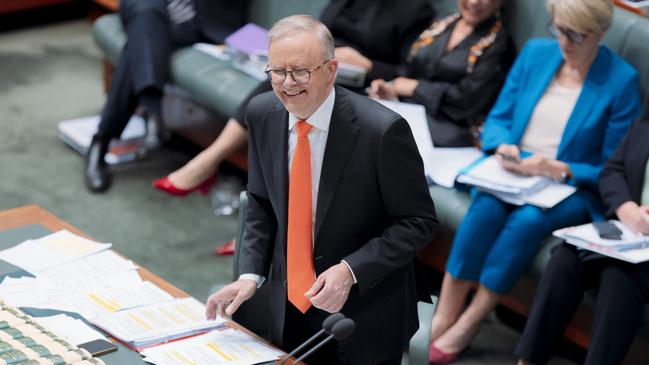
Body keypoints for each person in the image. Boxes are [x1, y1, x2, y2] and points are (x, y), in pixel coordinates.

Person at [205, 15, 438, 365]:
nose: (287, 84)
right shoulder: (262, 112)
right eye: (277, 72)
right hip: (288, 303)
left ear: (331, 70)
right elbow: (260, 200)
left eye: (300, 71)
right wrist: (250, 273)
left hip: (366, 310)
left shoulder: (383, 131)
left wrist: (350, 270)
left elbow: (417, 222)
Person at [427, 0, 642, 363]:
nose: (566, 42)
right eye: (559, 29)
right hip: (512, 171)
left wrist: (557, 168)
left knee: (527, 221)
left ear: (601, 33)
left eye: (576, 34)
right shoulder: (536, 53)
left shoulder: (621, 81)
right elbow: (499, 117)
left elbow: (610, 166)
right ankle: (447, 311)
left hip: (570, 185)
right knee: (485, 209)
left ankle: (474, 317)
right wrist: (502, 147)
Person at [152, 0, 435, 195]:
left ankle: (210, 164)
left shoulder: (417, 10)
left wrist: (367, 64)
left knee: (294, 93)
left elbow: (405, 73)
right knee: (280, 84)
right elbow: (321, 32)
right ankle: (259, 209)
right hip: (319, 66)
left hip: (361, 83)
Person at [515, 107, 649, 365]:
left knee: (619, 277)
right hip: (630, 232)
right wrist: (626, 208)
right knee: (566, 256)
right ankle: (528, 360)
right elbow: (612, 171)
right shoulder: (646, 118)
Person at [85, 0, 248, 193]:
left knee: (143, 37)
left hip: (201, 13)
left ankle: (104, 138)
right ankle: (152, 110)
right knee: (147, 14)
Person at [369, 0, 514, 147]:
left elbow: (467, 99)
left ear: (498, 2)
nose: (473, 1)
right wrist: (390, 87)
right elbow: (410, 68)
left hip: (448, 126)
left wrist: (415, 87)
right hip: (409, 109)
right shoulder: (443, 24)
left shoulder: (499, 44)